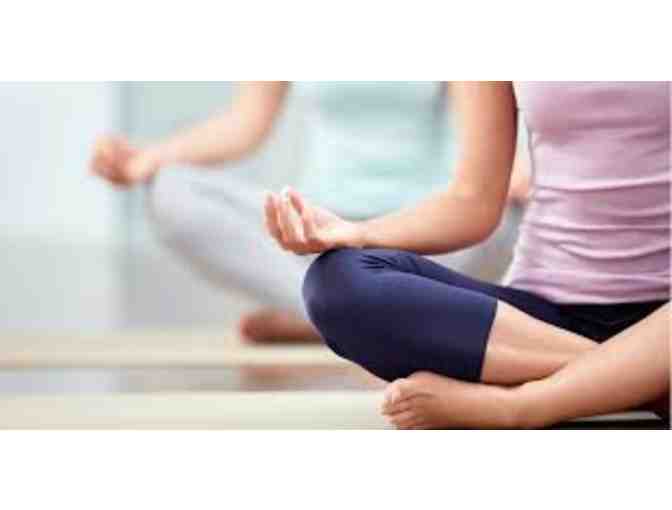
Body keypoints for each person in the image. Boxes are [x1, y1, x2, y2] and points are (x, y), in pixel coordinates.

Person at [265, 81, 670, 428]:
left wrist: (517, 406)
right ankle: (644, 383)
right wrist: (359, 233)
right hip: (536, 324)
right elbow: (472, 203)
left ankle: (520, 405)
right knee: (338, 283)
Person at [90, 81, 528, 343]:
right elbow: (243, 125)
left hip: (423, 231)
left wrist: (518, 176)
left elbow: (479, 167)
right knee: (172, 192)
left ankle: (330, 309)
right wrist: (148, 159)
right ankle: (347, 309)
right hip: (318, 230)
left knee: (502, 218)